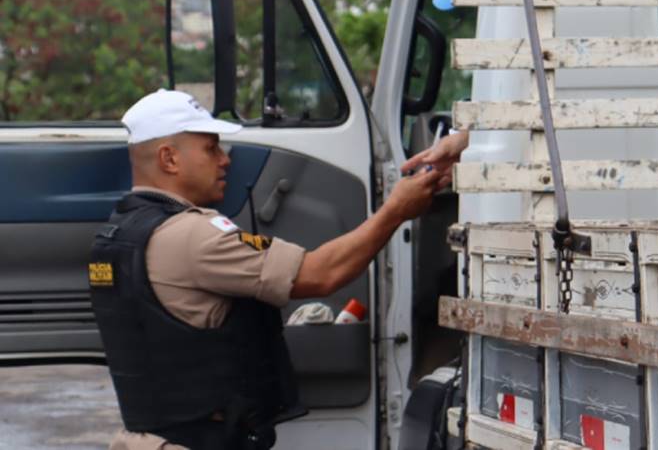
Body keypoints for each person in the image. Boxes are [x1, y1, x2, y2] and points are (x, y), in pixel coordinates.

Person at [89, 89, 445, 450]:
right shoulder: (191, 235)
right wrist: (395, 211)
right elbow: (320, 274)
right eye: (210, 148)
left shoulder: (119, 232)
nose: (224, 160)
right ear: (169, 159)